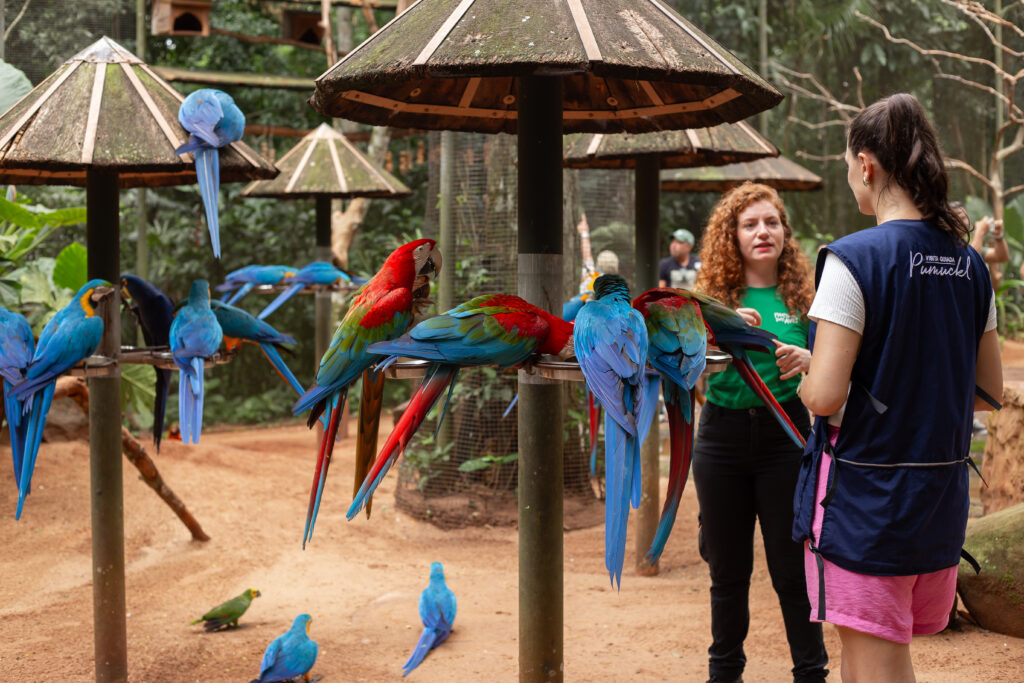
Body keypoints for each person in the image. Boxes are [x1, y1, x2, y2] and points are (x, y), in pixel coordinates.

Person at [795, 93, 1003, 683]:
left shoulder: (853, 260)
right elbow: (986, 389)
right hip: (937, 497)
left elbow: (824, 397)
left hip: (865, 502)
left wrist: (810, 374)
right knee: (875, 659)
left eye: (848, 167)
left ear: (866, 165)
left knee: (873, 663)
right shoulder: (969, 264)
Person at [692, 182, 828, 683]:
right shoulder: (709, 299)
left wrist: (811, 358)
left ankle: (811, 673)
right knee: (727, 573)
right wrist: (719, 332)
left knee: (792, 573)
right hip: (720, 440)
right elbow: (686, 371)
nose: (762, 232)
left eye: (771, 222)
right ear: (732, 235)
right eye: (749, 224)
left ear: (785, 232)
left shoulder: (807, 297)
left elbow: (836, 363)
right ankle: (724, 674)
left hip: (784, 439)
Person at [968, 212, 1010, 289]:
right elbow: (969, 261)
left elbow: (1001, 256)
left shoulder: (970, 246)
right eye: (961, 217)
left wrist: (998, 235)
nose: (965, 222)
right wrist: (980, 231)